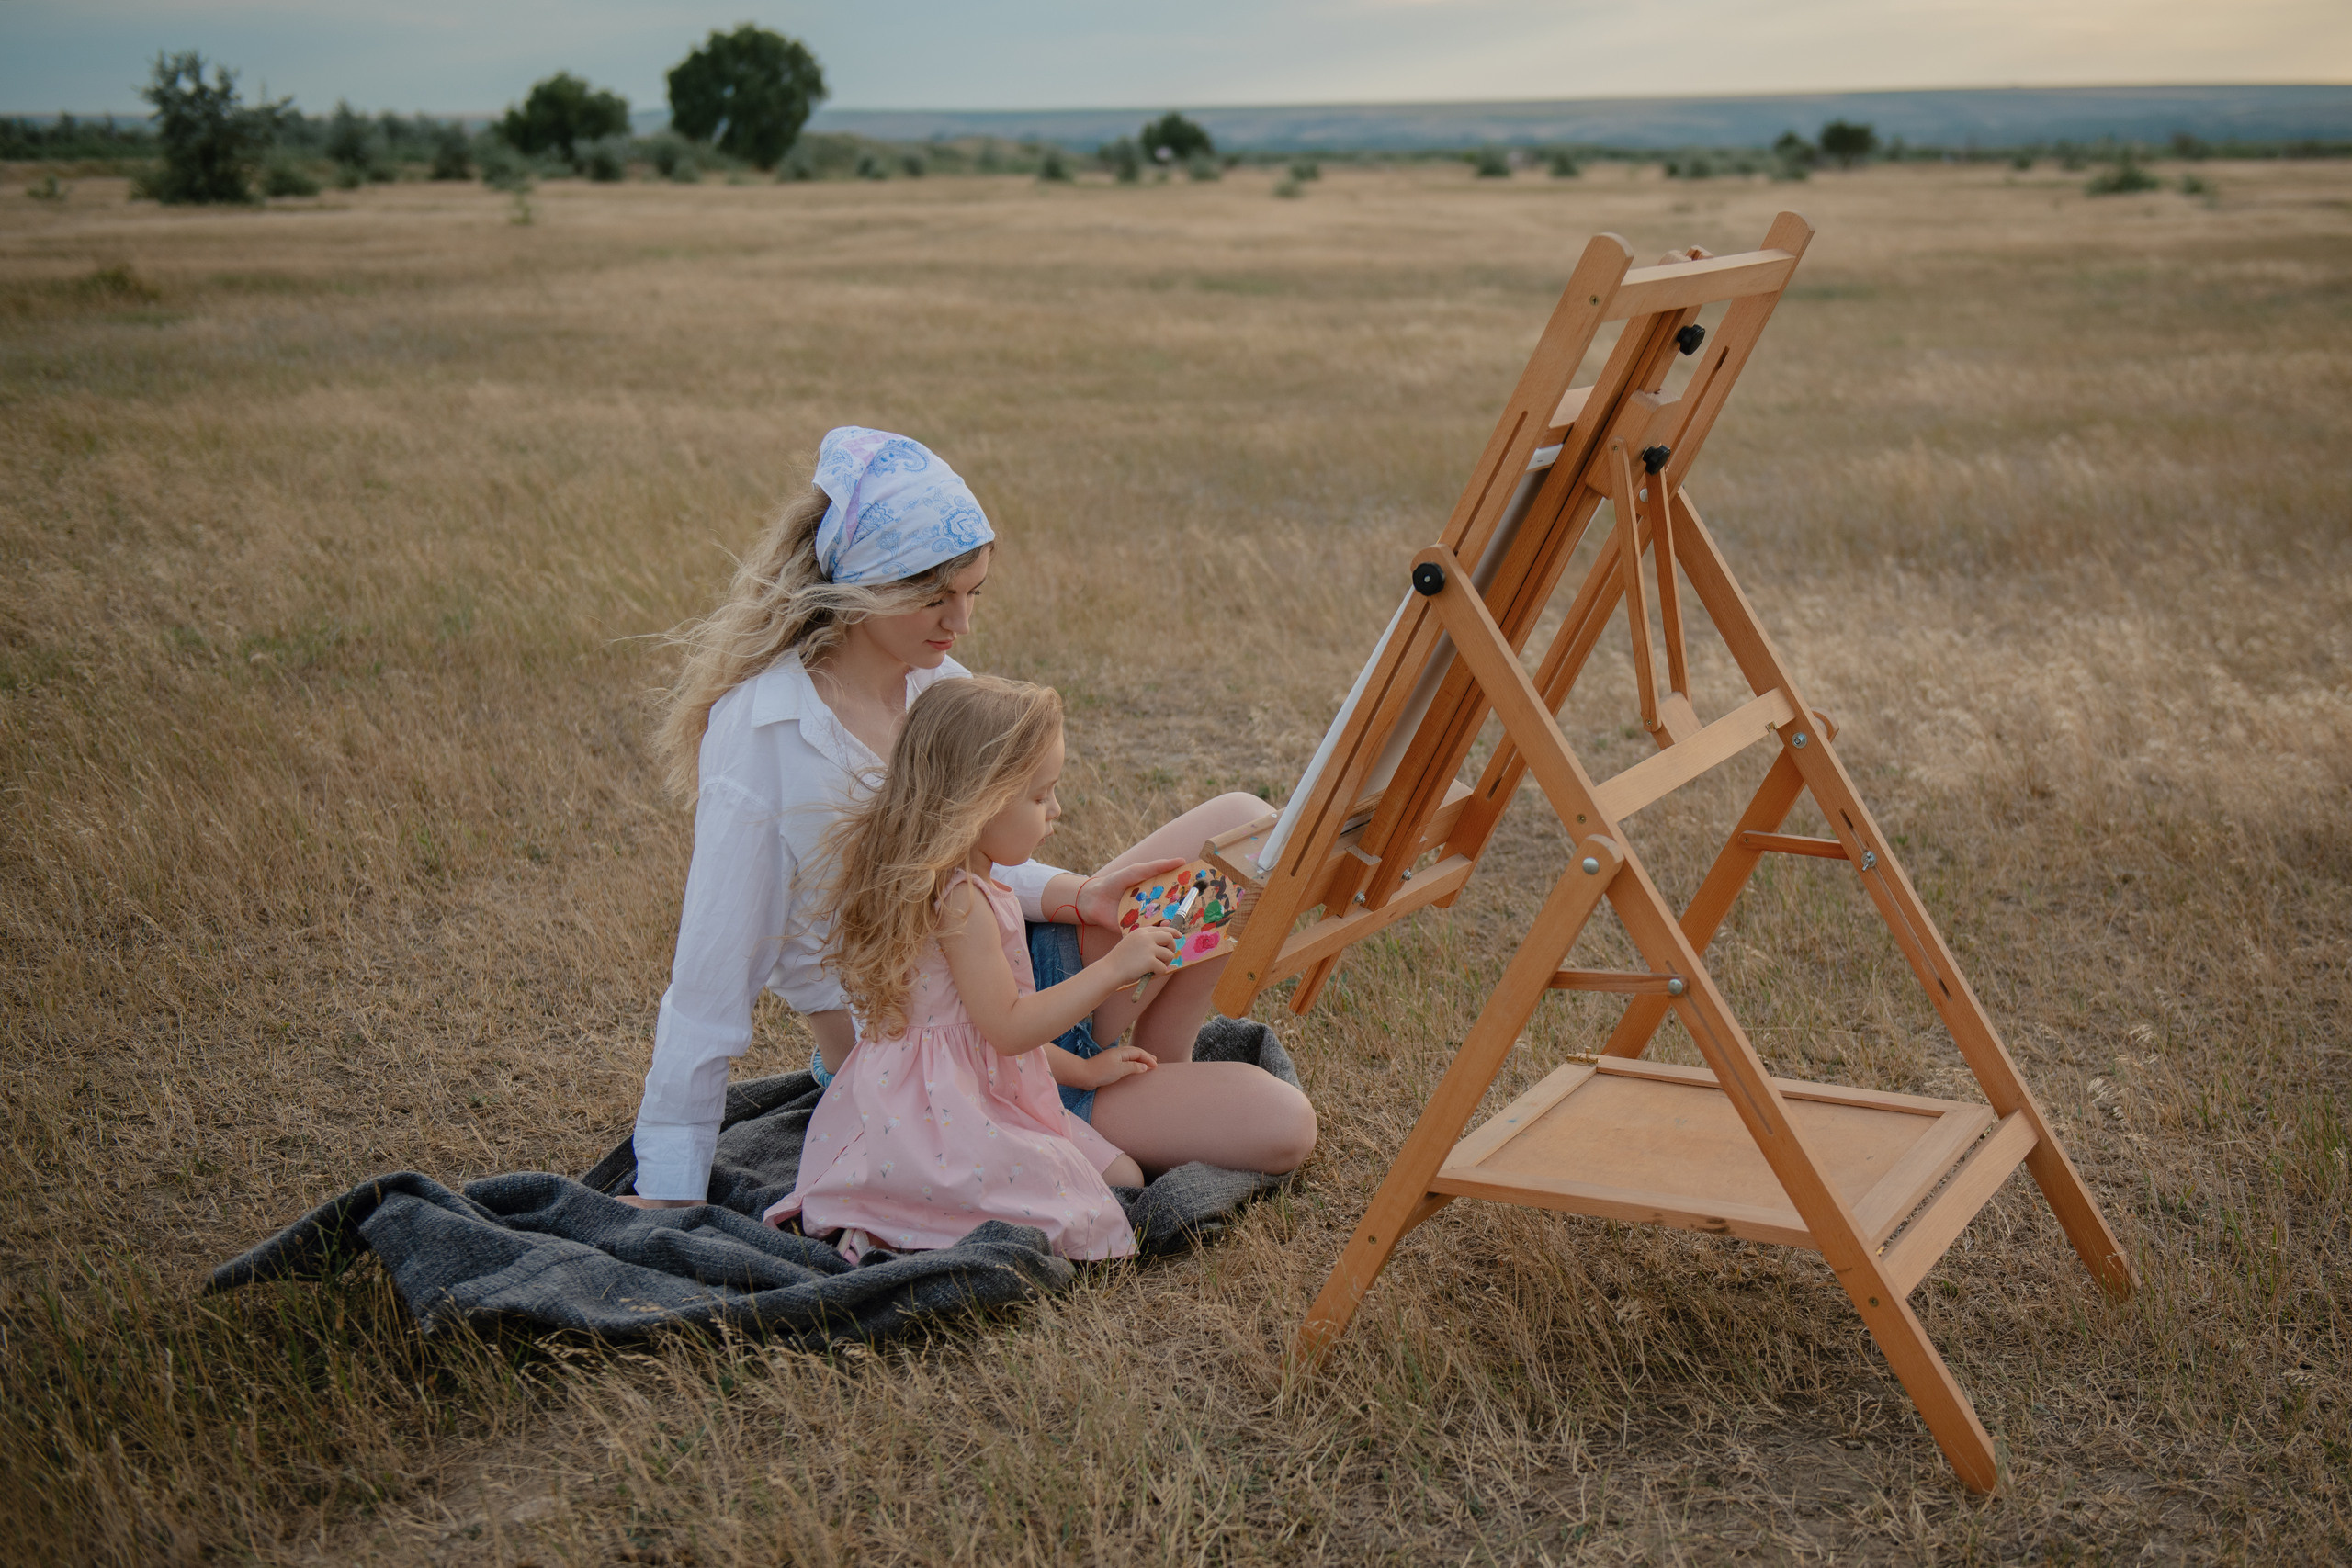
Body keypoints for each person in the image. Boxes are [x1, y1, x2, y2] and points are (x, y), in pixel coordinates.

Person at [620, 427, 1316, 1210]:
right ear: (868, 584)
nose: (962, 622)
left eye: (973, 592)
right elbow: (707, 981)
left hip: (1021, 964)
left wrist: (1074, 896)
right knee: (1283, 1123)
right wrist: (671, 1184)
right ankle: (1123, 1115)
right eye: (936, 597)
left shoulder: (934, 680)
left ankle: (1161, 1059)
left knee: (1246, 830)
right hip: (947, 1055)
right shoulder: (764, 733)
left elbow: (969, 858)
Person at [765, 677, 1170, 1259]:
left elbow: (972, 1034)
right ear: (978, 803)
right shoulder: (960, 901)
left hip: (962, 1084)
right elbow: (1006, 1027)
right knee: (1101, 1196)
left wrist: (1083, 1074)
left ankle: (907, 1206)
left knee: (1124, 1177)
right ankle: (902, 1212)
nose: (1056, 811)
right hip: (943, 1114)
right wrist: (1113, 969)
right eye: (1041, 796)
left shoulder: (955, 885)